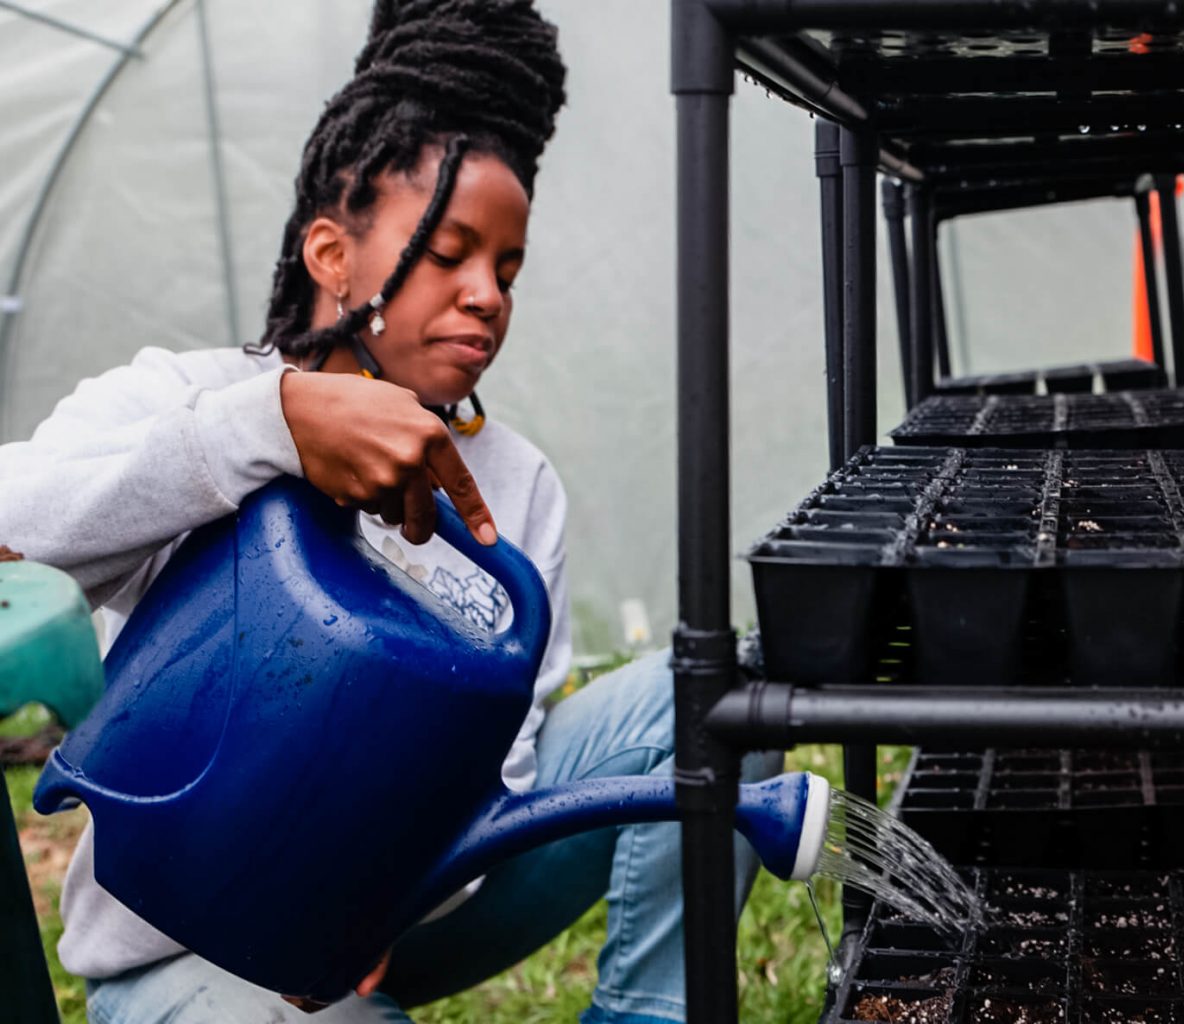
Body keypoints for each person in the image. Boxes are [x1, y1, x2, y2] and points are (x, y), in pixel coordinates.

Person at [0, 2, 777, 1021]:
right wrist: (267, 428)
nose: (486, 295)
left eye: (506, 268)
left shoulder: (515, 483)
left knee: (714, 702)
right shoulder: (193, 399)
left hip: (406, 910)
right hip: (189, 948)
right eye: (451, 252)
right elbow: (19, 526)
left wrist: (367, 887)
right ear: (332, 255)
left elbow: (506, 756)